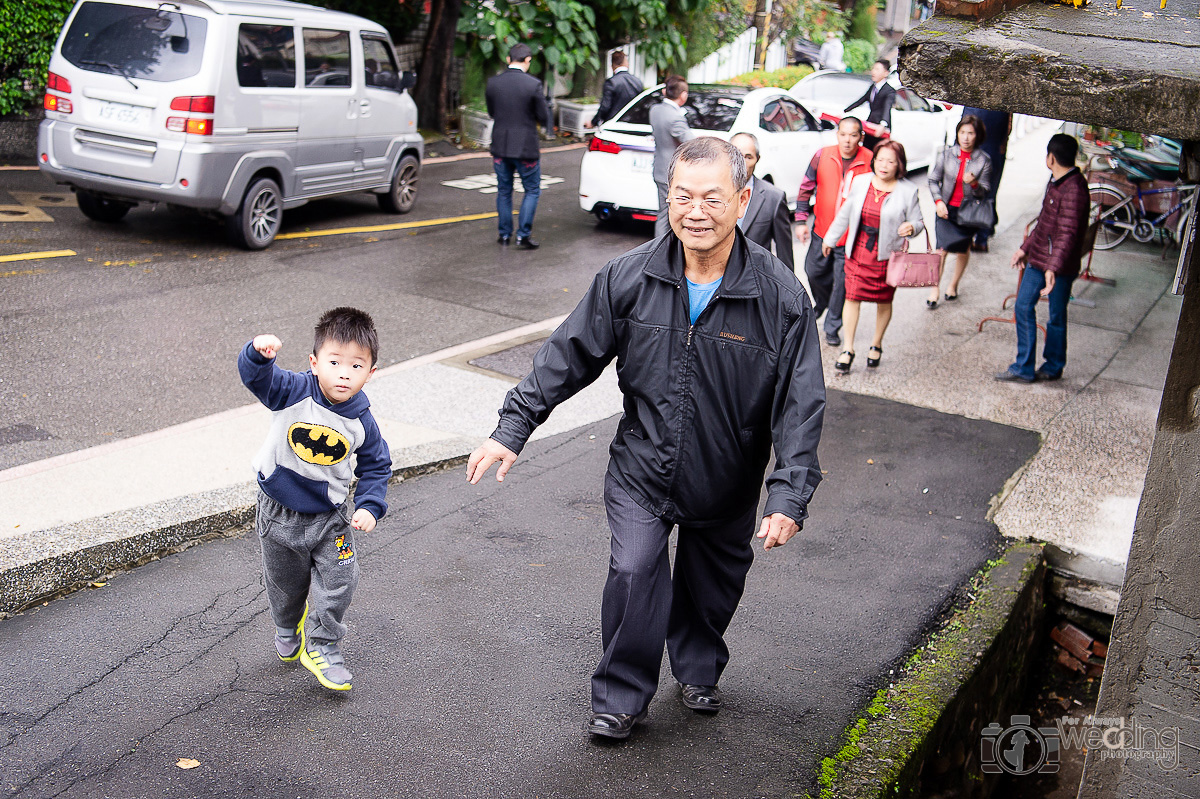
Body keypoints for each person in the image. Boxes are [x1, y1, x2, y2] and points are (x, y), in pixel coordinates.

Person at [466, 137, 825, 741]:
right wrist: (513, 427)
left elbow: (800, 403)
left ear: (743, 201)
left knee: (710, 590)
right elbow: (568, 354)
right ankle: (621, 695)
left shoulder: (780, 296)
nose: (696, 211)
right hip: (642, 469)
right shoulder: (630, 277)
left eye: (712, 197)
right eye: (682, 196)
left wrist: (788, 494)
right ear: (668, 198)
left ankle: (698, 665)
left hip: (727, 477)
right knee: (634, 573)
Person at [238, 307, 393, 692]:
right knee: (285, 585)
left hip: (332, 517)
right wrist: (259, 355)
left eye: (357, 366)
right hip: (279, 511)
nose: (344, 373)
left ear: (370, 373)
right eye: (335, 361)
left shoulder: (362, 421)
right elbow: (258, 380)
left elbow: (377, 466)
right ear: (314, 362)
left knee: (341, 578)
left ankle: (322, 645)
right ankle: (287, 626)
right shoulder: (292, 392)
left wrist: (370, 506)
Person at [822, 140, 924, 373]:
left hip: (888, 256)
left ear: (899, 165)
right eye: (880, 159)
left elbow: (919, 223)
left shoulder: (908, 191)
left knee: (884, 300)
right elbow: (845, 213)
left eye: (890, 161)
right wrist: (830, 238)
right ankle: (848, 348)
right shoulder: (861, 182)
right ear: (874, 160)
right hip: (858, 251)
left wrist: (911, 227)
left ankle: (876, 343)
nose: (884, 165)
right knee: (852, 297)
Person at [996, 134, 1089, 384]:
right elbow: (1044, 222)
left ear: (1051, 158)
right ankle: (1024, 367)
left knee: (1056, 315)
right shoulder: (1056, 181)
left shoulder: (1074, 189)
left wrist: (1053, 268)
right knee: (1023, 306)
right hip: (1039, 260)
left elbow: (1067, 234)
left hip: (1059, 266)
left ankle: (1053, 365)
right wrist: (1023, 248)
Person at [795, 116, 874, 346]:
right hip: (822, 230)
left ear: (861, 137)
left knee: (842, 284)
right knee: (813, 271)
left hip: (852, 238)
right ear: (837, 134)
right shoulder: (822, 155)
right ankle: (821, 302)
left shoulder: (869, 160)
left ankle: (832, 326)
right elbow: (805, 188)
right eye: (843, 134)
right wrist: (800, 221)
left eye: (853, 135)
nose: (847, 140)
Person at [486, 43, 554, 250]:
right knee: (532, 190)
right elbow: (543, 116)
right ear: (528, 60)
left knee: (504, 191)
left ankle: (504, 234)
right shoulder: (533, 84)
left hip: (500, 145)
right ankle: (523, 235)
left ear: (508, 59)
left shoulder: (493, 83)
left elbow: (491, 112)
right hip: (525, 147)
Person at [927, 115, 993, 308]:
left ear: (977, 135)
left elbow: (985, 191)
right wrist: (938, 201)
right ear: (957, 133)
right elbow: (932, 180)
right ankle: (934, 288)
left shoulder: (984, 160)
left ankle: (953, 285)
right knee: (941, 250)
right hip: (945, 210)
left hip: (967, 214)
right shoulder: (947, 154)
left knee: (963, 250)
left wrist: (973, 183)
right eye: (962, 132)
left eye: (970, 133)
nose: (965, 137)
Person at [729, 132, 794, 269]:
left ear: (757, 159)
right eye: (736, 155)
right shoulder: (711, 192)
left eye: (748, 157)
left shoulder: (773, 198)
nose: (741, 162)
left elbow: (785, 255)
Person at [649, 75, 696, 238]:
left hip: (659, 169)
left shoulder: (655, 110)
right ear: (683, 95)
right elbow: (691, 143)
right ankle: (661, 248)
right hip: (671, 173)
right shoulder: (675, 118)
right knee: (667, 215)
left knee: (664, 213)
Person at [961, 107, 1012, 252]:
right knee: (987, 194)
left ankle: (973, 236)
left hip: (984, 148)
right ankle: (981, 237)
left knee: (972, 192)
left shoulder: (973, 97)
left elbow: (963, 126)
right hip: (994, 148)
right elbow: (1008, 125)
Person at [844, 60, 896, 149]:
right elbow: (860, 101)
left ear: (886, 73)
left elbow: (887, 108)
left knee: (878, 152)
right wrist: (845, 111)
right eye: (873, 69)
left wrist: (883, 124)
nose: (873, 72)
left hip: (880, 129)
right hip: (870, 125)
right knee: (866, 150)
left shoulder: (889, 91)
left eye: (877, 69)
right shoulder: (873, 87)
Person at [585, 51, 644, 129]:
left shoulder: (611, 82)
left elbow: (605, 106)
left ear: (612, 66)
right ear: (626, 64)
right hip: (633, 124)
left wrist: (594, 122)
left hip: (613, 124)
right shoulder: (637, 81)